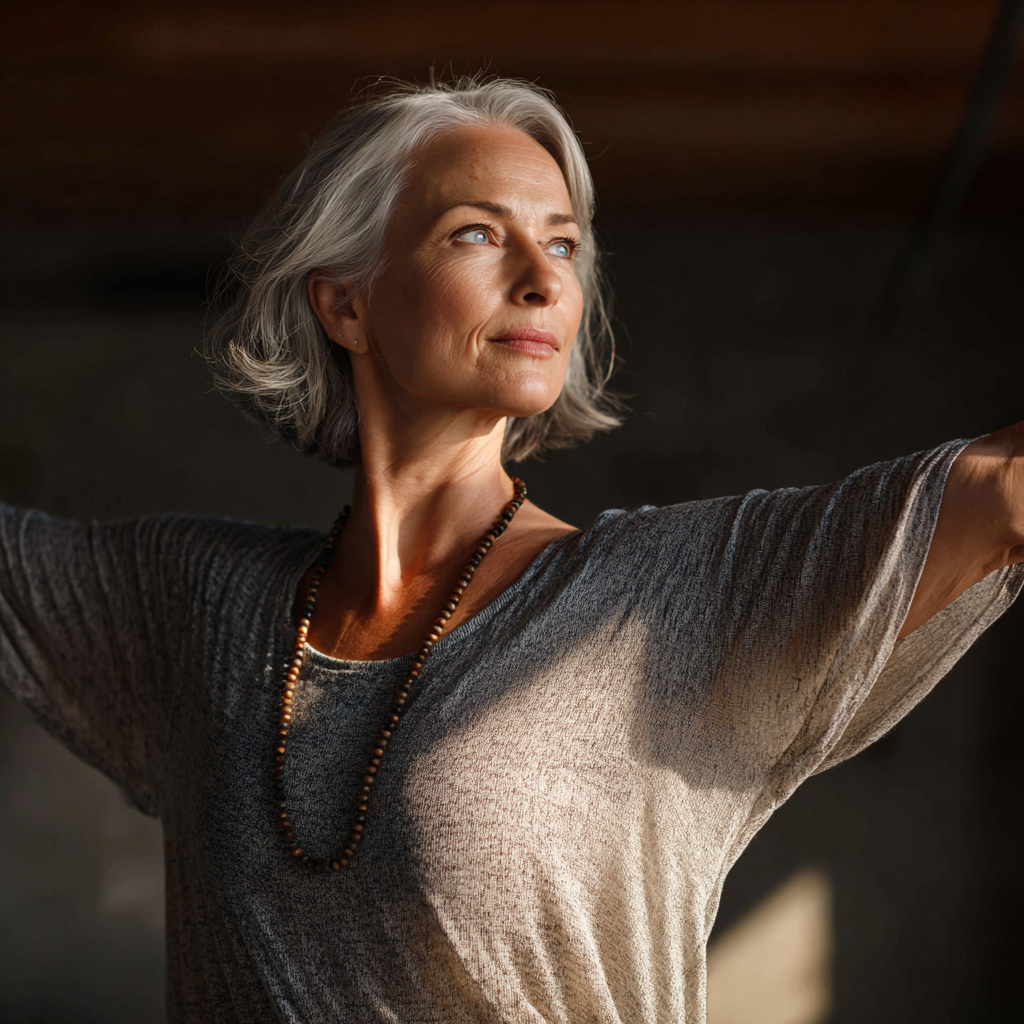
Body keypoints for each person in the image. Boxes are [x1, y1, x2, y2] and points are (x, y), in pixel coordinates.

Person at [1, 76, 1021, 1024]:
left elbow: (999, 493)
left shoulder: (659, 599)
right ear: (346, 299)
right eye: (478, 234)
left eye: (565, 245)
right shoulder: (195, 608)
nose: (543, 281)